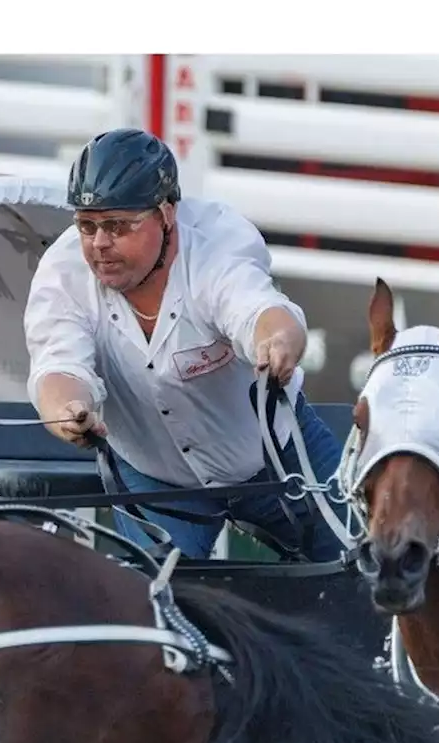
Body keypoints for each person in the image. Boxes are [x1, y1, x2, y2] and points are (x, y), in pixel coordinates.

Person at [21, 128, 346, 561]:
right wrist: (69, 413)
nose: (99, 243)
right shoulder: (62, 272)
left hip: (276, 456)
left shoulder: (215, 242)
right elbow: (57, 365)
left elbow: (259, 311)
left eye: (118, 225)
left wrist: (278, 342)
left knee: (366, 568)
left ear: (166, 213)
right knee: (145, 605)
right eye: (86, 225)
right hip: (156, 477)